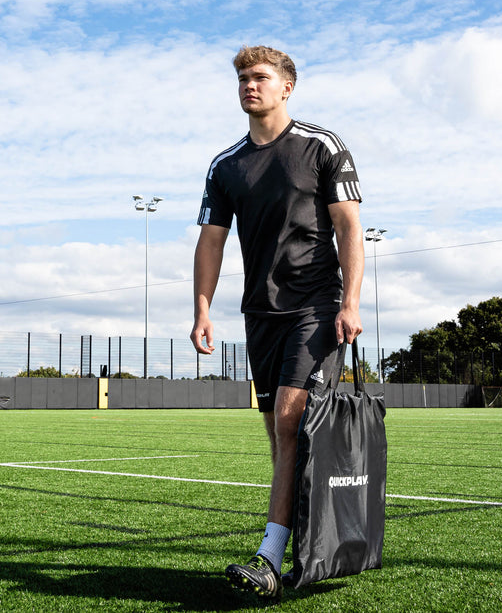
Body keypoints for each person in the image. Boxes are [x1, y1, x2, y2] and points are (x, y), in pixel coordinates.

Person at [189, 45, 364, 602]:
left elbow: (350, 228)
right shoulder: (226, 166)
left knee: (290, 420)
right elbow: (210, 242)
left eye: (260, 77)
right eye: (242, 77)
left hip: (315, 306)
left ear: (287, 86)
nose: (248, 85)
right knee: (280, 435)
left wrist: (351, 302)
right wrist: (202, 309)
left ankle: (268, 558)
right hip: (259, 314)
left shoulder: (321, 146)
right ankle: (310, 543)